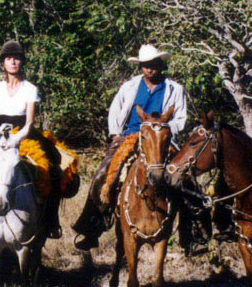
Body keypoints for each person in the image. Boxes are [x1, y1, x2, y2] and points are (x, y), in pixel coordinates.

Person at [73, 44, 188, 251]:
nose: (149, 69)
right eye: (145, 66)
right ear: (140, 67)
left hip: (161, 139)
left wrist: (162, 129)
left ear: (161, 65)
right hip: (130, 137)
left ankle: (192, 233)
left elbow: (181, 118)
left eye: (153, 65)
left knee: (186, 180)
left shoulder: (175, 89)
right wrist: (116, 134)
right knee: (102, 175)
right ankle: (92, 228)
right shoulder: (130, 86)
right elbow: (115, 110)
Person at [0, 40, 64, 238]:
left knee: (52, 167)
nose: (13, 62)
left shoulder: (30, 88)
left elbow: (29, 121)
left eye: (16, 58)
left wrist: (18, 138)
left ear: (21, 62)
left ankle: (50, 221)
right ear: (3, 63)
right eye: (9, 58)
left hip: (23, 135)